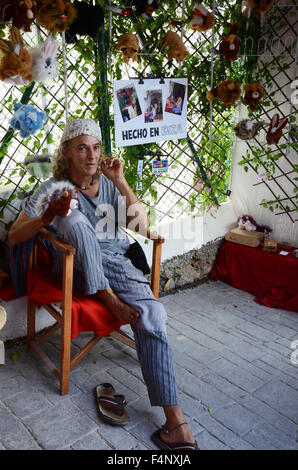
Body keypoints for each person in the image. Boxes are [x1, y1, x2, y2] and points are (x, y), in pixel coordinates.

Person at [8, 118, 198, 451]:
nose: (91, 155)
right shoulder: (51, 188)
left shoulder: (108, 186)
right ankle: (107, 297)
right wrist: (48, 217)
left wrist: (121, 180)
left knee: (152, 316)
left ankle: (176, 423)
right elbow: (14, 236)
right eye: (81, 147)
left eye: (95, 147)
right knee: (75, 217)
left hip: (114, 262)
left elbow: (141, 223)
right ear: (66, 153)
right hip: (73, 267)